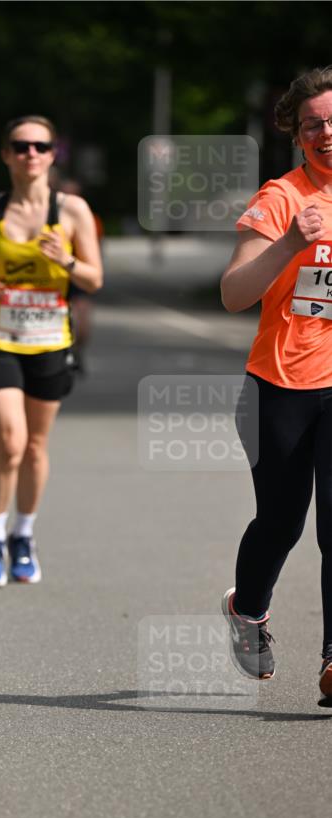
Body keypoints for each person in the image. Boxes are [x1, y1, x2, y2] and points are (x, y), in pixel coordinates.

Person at [220, 66, 332, 701]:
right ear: (296, 132)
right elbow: (235, 294)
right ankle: (249, 607)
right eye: (313, 122)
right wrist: (290, 241)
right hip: (281, 386)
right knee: (282, 521)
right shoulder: (281, 197)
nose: (326, 132)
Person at [0, 116, 103, 585]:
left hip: (48, 340)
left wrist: (64, 259)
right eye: (20, 146)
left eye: (39, 146)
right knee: (10, 441)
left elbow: (93, 279)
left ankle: (24, 535)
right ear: (6, 154)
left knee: (37, 445)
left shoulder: (72, 211)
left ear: (52, 154)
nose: (30, 154)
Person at [58, 178, 104, 374]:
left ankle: (78, 350)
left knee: (83, 322)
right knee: (63, 318)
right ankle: (62, 353)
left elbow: (98, 249)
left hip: (79, 271)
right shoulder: (48, 215)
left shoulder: (90, 218)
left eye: (74, 194)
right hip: (57, 275)